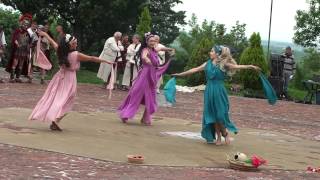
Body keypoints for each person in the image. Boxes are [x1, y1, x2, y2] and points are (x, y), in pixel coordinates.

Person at [172, 45, 260, 145]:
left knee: (220, 114)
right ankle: (218, 137)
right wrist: (179, 74)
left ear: (217, 54)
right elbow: (194, 69)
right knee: (212, 115)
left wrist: (250, 67)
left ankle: (225, 133)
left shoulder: (224, 64)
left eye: (212, 51)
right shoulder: (207, 64)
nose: (210, 52)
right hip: (209, 91)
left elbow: (237, 66)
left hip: (219, 91)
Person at [28, 31, 113, 131]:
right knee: (67, 100)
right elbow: (91, 58)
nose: (76, 44)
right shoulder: (76, 54)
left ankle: (55, 119)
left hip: (60, 77)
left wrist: (45, 34)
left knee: (55, 97)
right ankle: (55, 119)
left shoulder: (60, 50)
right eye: (74, 43)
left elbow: (51, 41)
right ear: (69, 45)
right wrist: (106, 61)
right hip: (69, 78)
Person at [118, 32, 174, 126]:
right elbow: (144, 56)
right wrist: (147, 60)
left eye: (154, 41)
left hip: (152, 76)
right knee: (136, 95)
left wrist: (170, 49)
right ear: (147, 41)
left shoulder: (154, 49)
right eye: (151, 41)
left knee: (151, 97)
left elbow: (161, 48)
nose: (153, 42)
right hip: (145, 75)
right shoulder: (145, 50)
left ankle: (145, 118)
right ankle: (125, 115)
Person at [6, 14, 33, 83]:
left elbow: (31, 41)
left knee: (21, 64)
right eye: (24, 24)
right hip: (18, 49)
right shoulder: (18, 30)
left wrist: (30, 45)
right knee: (15, 63)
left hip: (24, 50)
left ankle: (18, 77)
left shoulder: (29, 32)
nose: (25, 25)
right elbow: (14, 38)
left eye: (27, 24)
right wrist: (17, 43)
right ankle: (12, 78)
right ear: (22, 23)